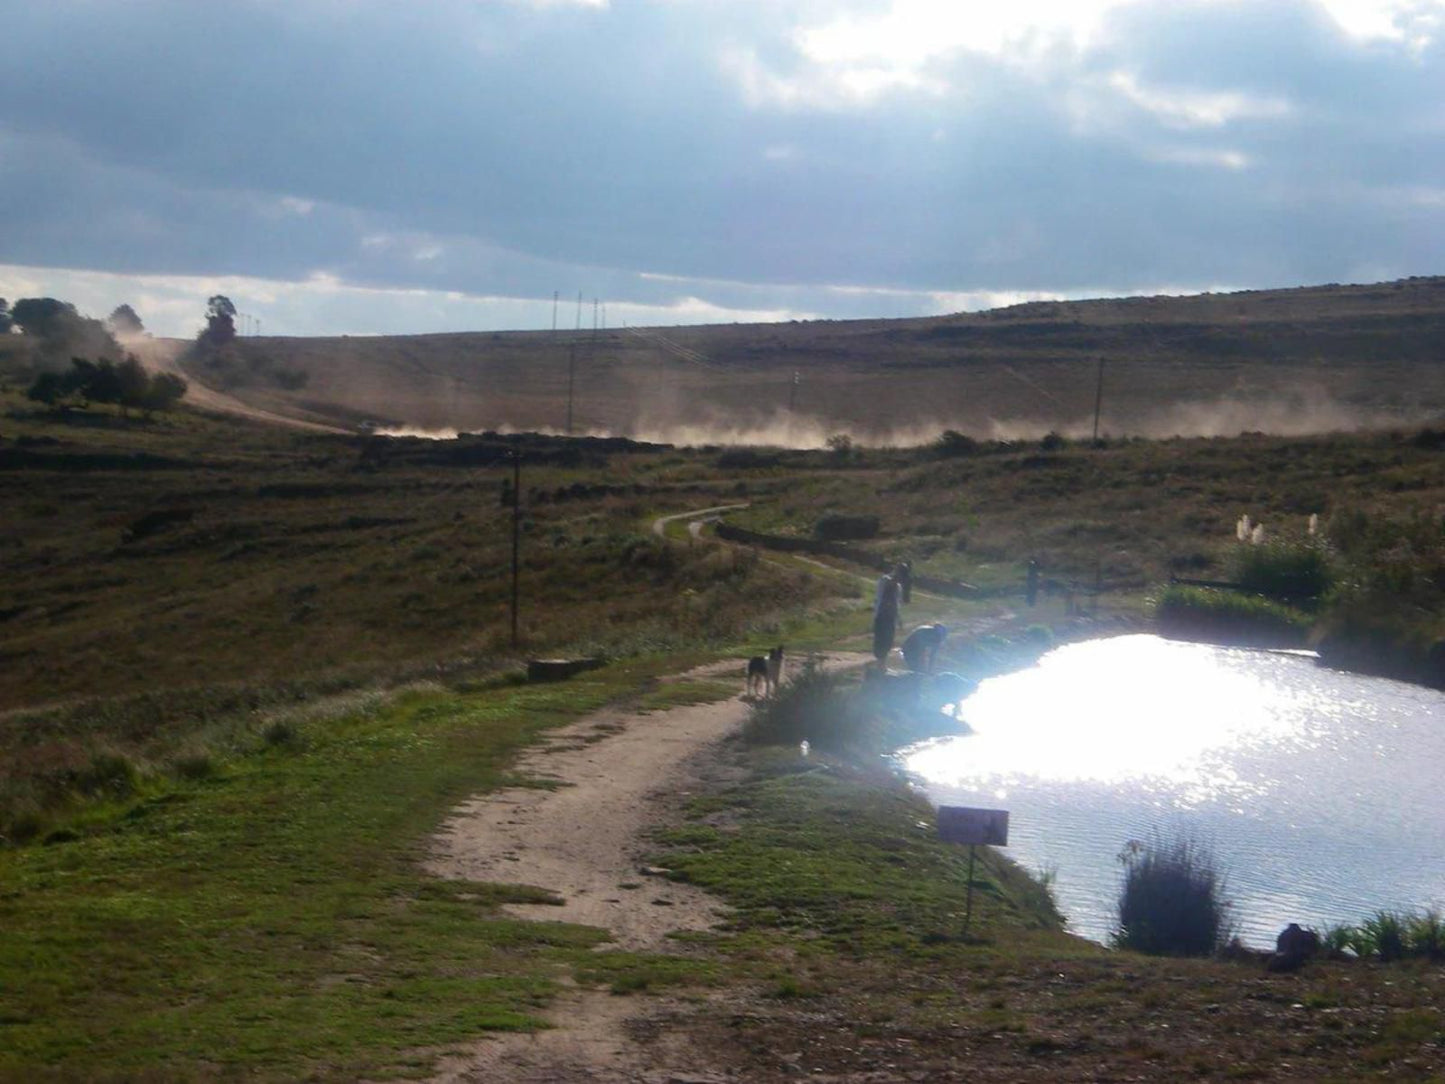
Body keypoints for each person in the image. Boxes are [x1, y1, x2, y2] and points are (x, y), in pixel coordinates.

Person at [872, 573, 900, 666]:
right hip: (881, 616)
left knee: (888, 640)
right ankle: (879, 661)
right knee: (880, 639)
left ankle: (882, 661)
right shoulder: (884, 582)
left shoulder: (897, 588)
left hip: (890, 618)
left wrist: (898, 618)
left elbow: (897, 604)